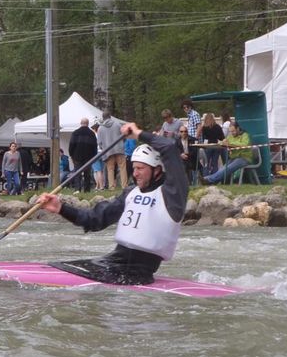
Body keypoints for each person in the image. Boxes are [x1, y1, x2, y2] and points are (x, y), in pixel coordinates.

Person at [36, 122, 188, 285]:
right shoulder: (130, 193)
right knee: (60, 265)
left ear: (157, 170)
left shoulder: (172, 196)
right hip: (113, 264)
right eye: (134, 168)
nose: (135, 174)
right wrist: (61, 208)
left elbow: (170, 150)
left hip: (137, 273)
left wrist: (138, 134)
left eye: (140, 168)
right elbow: (94, 219)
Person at [98, 111, 128, 190]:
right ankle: (124, 186)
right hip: (119, 149)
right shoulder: (118, 124)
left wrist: (104, 147)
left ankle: (111, 187)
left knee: (110, 169)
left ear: (103, 118)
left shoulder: (100, 128)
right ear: (110, 116)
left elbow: (99, 143)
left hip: (108, 151)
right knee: (122, 168)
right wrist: (121, 143)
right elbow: (124, 136)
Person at [69, 118, 98, 193]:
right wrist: (94, 156)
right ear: (88, 124)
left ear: (80, 123)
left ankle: (77, 189)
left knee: (77, 174)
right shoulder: (91, 133)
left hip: (77, 156)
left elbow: (71, 145)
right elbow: (94, 146)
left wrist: (71, 155)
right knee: (87, 174)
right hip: (88, 157)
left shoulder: (75, 133)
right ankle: (87, 190)